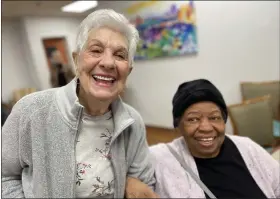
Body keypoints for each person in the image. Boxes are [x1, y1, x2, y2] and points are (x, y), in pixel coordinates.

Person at [2, 9, 156, 198]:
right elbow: (4, 177)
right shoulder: (32, 111)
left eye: (120, 55)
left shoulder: (132, 122)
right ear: (76, 60)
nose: (108, 63)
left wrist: (132, 182)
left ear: (128, 70)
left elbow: (144, 180)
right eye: (96, 50)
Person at [125, 79, 280, 198]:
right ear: (178, 126)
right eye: (193, 119)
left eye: (214, 118)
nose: (206, 128)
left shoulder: (247, 147)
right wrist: (128, 181)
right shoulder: (158, 159)